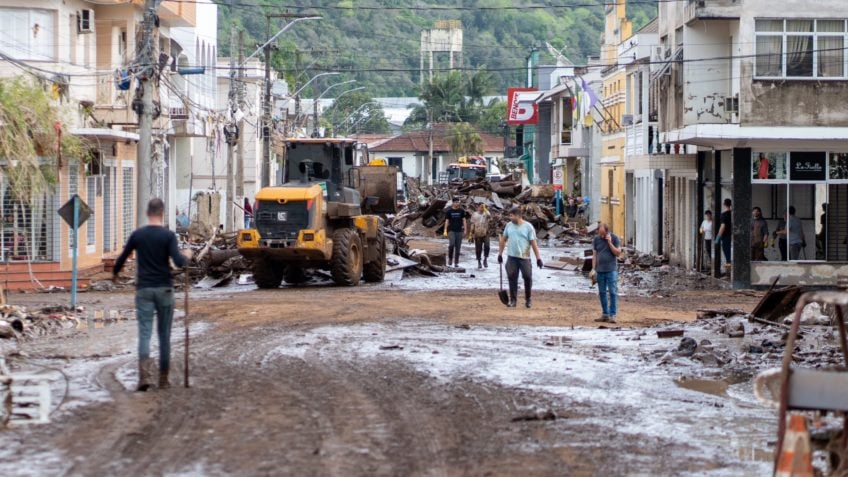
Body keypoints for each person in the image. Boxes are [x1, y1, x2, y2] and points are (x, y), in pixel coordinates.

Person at [113, 198, 192, 391]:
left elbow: (122, 258)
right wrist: (187, 255)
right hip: (165, 289)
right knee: (164, 335)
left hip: (144, 290)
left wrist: (115, 274)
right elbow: (179, 262)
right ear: (162, 213)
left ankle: (144, 378)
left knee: (145, 334)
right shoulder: (168, 236)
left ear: (148, 213)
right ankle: (164, 379)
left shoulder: (138, 235)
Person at [497, 207, 543, 308]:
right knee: (512, 278)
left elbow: (533, 243)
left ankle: (528, 299)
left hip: (525, 257)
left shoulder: (528, 227)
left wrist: (538, 258)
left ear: (518, 216)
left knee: (527, 277)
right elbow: (503, 240)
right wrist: (500, 254)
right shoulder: (509, 226)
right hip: (512, 257)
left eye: (511, 215)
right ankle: (513, 300)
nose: (510, 217)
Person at [592, 223, 622, 323]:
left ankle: (612, 314)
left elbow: (617, 253)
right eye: (600, 234)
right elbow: (595, 255)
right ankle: (605, 314)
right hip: (600, 270)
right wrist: (593, 269)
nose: (602, 236)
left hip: (611, 270)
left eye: (603, 234)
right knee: (602, 293)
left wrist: (609, 242)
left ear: (607, 231)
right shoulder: (596, 239)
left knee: (612, 292)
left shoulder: (614, 238)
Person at [443, 197, 468, 267]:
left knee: (458, 247)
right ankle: (450, 258)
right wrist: (445, 230)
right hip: (451, 231)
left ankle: (456, 262)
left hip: (459, 231)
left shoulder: (461, 211)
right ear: (453, 203)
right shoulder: (449, 211)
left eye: (458, 202)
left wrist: (465, 230)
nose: (457, 203)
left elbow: (464, 220)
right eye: (455, 202)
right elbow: (447, 221)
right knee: (451, 244)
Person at [469, 203, 491, 269]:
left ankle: (485, 259)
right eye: (480, 206)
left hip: (485, 232)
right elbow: (472, 224)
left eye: (483, 207)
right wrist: (471, 234)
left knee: (487, 246)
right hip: (477, 233)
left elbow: (489, 216)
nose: (481, 208)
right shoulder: (475, 214)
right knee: (478, 249)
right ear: (478, 207)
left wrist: (485, 209)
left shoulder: (486, 214)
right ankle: (479, 261)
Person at [716, 198, 733, 271]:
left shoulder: (724, 215)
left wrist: (718, 237)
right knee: (730, 253)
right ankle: (729, 272)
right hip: (733, 235)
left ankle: (728, 273)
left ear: (724, 204)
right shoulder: (732, 214)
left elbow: (723, 226)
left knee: (727, 254)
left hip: (726, 236)